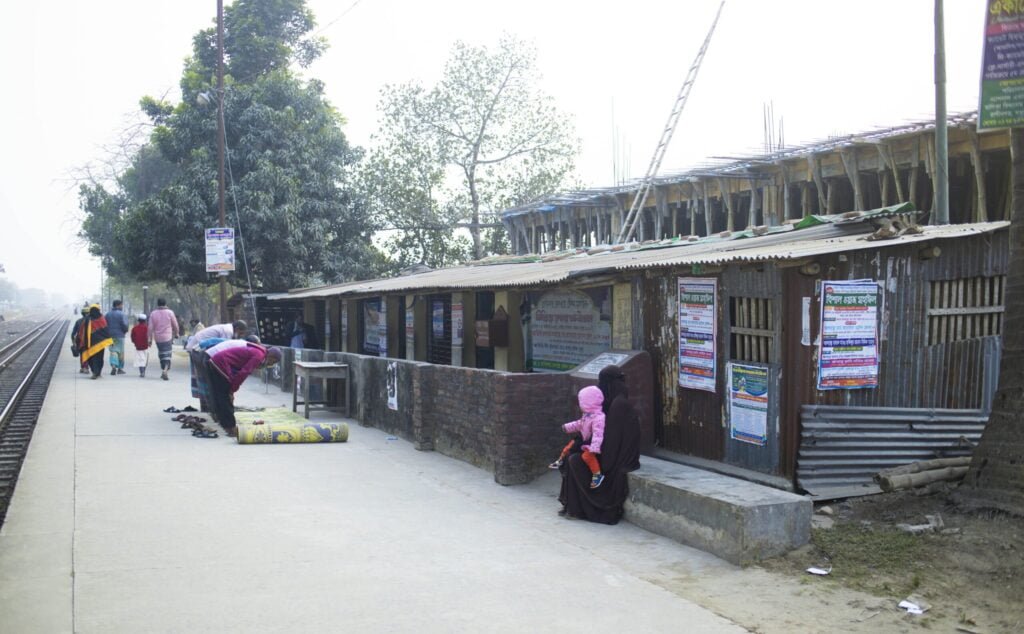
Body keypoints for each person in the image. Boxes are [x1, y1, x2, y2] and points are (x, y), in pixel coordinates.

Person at [558, 365, 641, 524]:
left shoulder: (619, 405)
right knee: (571, 457)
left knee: (576, 460)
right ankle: (575, 508)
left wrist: (595, 454)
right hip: (607, 451)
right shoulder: (608, 402)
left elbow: (614, 443)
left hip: (618, 459)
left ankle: (589, 509)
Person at [206, 343, 282, 437]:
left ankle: (223, 423)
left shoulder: (260, 353)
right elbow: (243, 373)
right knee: (225, 397)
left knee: (220, 395)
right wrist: (232, 390)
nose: (271, 364)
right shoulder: (258, 355)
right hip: (221, 363)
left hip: (217, 361)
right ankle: (231, 427)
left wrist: (232, 389)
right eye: (273, 362)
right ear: (271, 357)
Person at [549, 385, 606, 489]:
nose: (580, 405)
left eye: (582, 402)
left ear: (588, 403)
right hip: (584, 438)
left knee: (587, 456)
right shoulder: (587, 414)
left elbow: (598, 434)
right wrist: (568, 427)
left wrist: (594, 447)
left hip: (592, 442)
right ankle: (560, 461)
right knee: (569, 447)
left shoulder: (599, 417)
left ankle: (597, 475)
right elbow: (580, 424)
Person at [186, 321, 248, 410]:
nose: (241, 336)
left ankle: (207, 406)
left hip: (198, 349)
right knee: (205, 379)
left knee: (204, 379)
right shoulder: (228, 332)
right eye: (241, 333)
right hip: (198, 349)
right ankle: (208, 407)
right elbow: (222, 349)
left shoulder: (227, 329)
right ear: (237, 329)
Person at [78, 304, 113, 379]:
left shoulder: (87, 319)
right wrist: (109, 340)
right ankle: (98, 373)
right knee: (100, 358)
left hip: (90, 344)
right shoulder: (102, 318)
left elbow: (82, 331)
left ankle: (95, 372)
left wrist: (81, 341)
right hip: (100, 344)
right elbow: (106, 330)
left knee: (91, 358)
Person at [147, 298, 179, 381]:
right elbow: (175, 324)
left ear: (158, 304)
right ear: (165, 303)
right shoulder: (170, 312)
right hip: (168, 337)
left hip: (158, 338)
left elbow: (150, 327)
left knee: (162, 354)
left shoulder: (153, 313)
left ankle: (163, 369)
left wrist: (149, 339)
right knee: (167, 354)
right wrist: (177, 333)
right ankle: (165, 369)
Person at [104, 300, 130, 375]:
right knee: (120, 352)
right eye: (122, 305)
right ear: (118, 305)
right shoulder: (122, 314)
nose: (122, 306)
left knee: (113, 351)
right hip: (120, 335)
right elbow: (125, 325)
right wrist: (124, 331)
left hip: (110, 336)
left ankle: (113, 366)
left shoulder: (107, 314)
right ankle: (120, 368)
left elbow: (105, 325)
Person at [70, 306, 90, 374]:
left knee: (82, 354)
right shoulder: (91, 321)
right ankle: (85, 367)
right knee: (88, 354)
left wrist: (73, 342)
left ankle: (83, 367)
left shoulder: (78, 321)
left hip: (80, 340)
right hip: (89, 340)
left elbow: (73, 333)